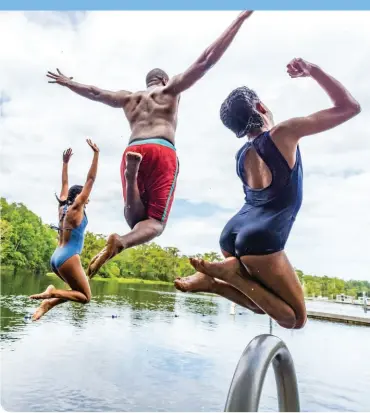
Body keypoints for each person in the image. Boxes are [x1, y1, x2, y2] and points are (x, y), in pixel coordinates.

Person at [45, 10, 254, 278]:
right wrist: (238, 20)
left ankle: (132, 176)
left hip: (133, 149)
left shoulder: (129, 98)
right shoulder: (170, 90)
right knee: (155, 224)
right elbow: (205, 61)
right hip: (161, 148)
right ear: (164, 80)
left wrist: (69, 83)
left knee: (135, 222)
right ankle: (120, 241)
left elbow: (96, 93)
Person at [175, 58, 361, 329]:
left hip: (235, 231)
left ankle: (213, 283)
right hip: (263, 236)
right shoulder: (283, 134)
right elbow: (349, 107)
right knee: (294, 319)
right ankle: (233, 276)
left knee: (262, 304)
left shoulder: (242, 154)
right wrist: (313, 70)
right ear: (261, 107)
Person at [30, 139, 100, 321]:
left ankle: (47, 304)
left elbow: (64, 184)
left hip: (57, 257)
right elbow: (91, 179)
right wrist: (96, 155)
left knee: (74, 293)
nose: (88, 198)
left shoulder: (62, 207)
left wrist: (65, 163)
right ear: (79, 196)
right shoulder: (77, 207)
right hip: (68, 256)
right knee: (85, 297)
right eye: (85, 196)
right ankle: (51, 292)